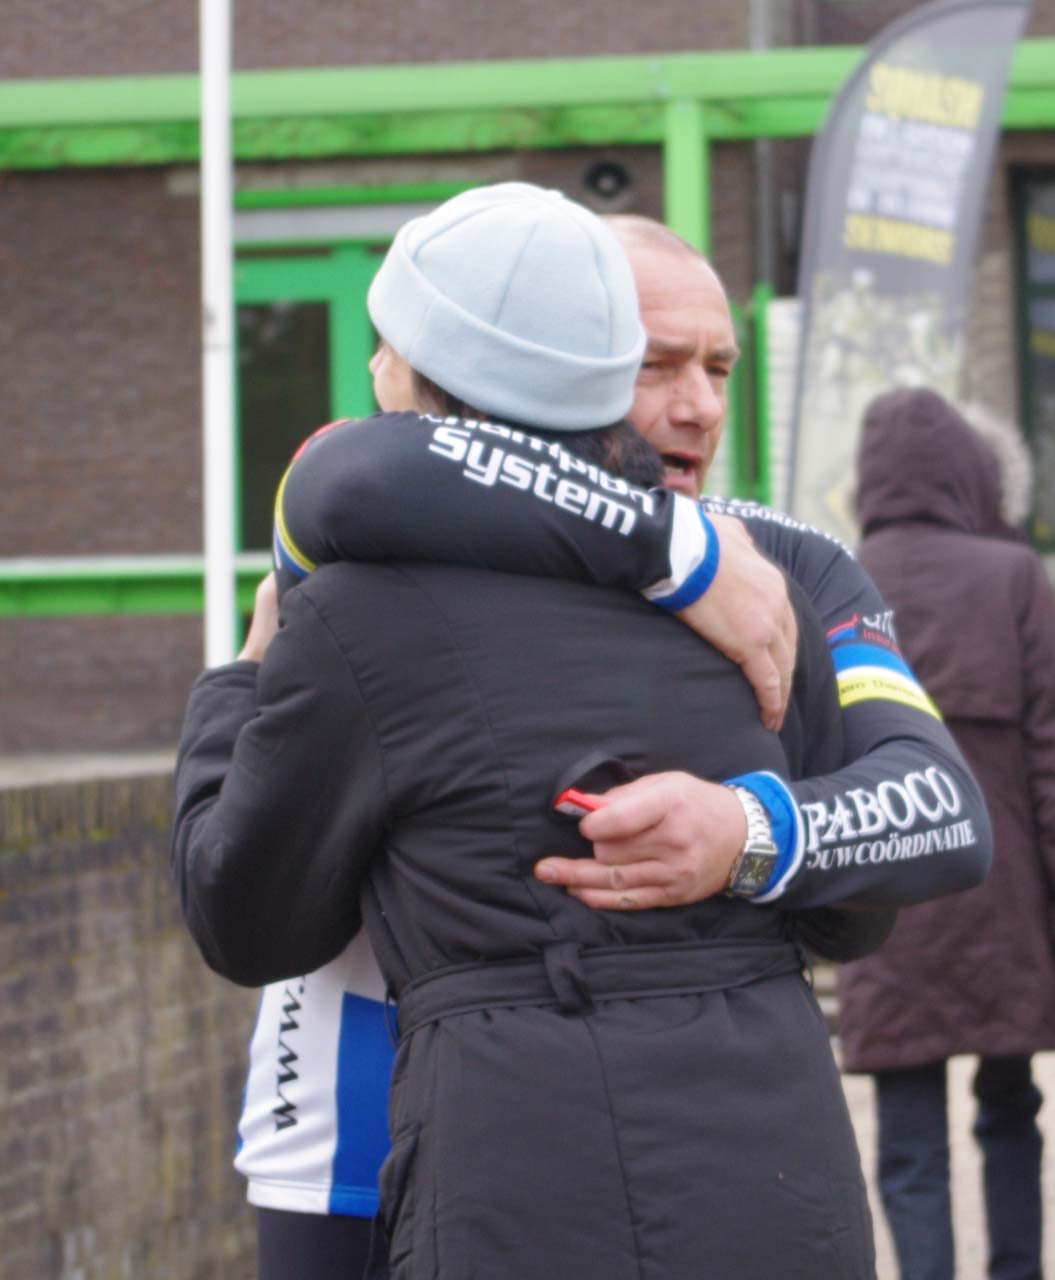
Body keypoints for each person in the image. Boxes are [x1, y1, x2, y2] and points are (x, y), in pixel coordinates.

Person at [170, 183, 972, 1278]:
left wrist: (748, 828)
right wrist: (663, 546)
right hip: (375, 1121)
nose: (696, 406)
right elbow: (345, 466)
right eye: (654, 363)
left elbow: (937, 813)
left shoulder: (780, 577)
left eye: (719, 368)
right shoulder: (705, 575)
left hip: (507, 1140)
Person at [834, 386, 1055, 1280]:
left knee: (908, 1134)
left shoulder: (835, 577)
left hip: (887, 895)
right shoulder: (1012, 575)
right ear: (971, 469)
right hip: (1002, 893)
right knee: (1009, 1109)